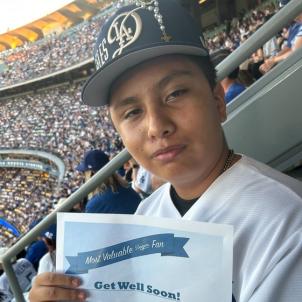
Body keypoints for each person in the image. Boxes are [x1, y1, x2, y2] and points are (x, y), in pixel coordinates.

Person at [29, 1, 302, 301]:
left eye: (175, 93)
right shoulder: (149, 211)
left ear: (217, 101)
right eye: (132, 112)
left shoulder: (286, 224)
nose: (156, 126)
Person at [76, 149, 141, 214]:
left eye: (84, 173)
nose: (83, 176)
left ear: (92, 173)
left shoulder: (93, 205)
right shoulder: (127, 188)